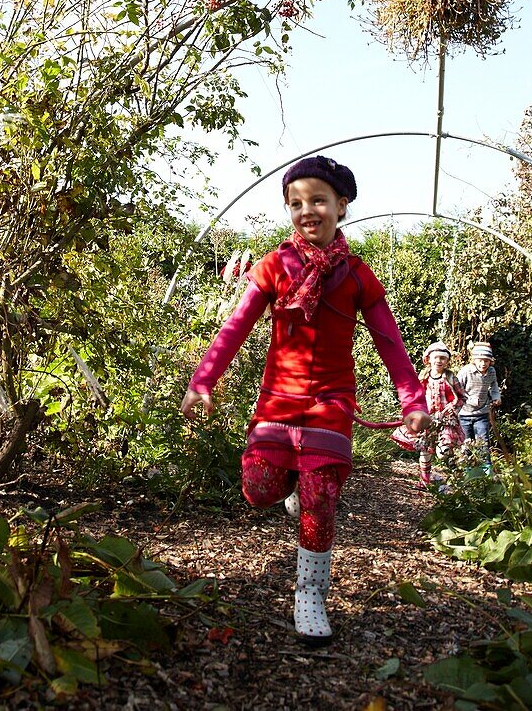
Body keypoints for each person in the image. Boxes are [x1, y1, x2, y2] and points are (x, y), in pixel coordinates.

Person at [180, 155, 431, 642]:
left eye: (318, 200)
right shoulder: (275, 266)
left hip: (331, 404)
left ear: (342, 206)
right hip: (277, 400)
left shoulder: (358, 275)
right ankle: (290, 487)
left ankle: (310, 595)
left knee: (320, 500)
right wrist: (204, 379)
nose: (306, 210)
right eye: (296, 203)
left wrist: (412, 400)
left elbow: (389, 342)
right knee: (259, 490)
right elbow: (236, 326)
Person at [392, 343, 466, 487]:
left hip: (445, 420)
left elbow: (462, 397)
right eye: (436, 358)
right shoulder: (424, 377)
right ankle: (424, 481)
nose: (439, 361)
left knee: (444, 450)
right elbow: (416, 395)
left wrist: (453, 406)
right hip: (428, 418)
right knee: (425, 450)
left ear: (447, 361)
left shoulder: (450, 378)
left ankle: (457, 476)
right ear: (429, 360)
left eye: (443, 358)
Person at [457, 342, 502, 473]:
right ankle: (468, 469)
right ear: (474, 360)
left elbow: (494, 386)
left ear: (490, 361)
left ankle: (486, 469)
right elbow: (457, 389)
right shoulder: (466, 371)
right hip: (464, 414)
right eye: (480, 360)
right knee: (467, 442)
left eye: (486, 361)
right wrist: (468, 399)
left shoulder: (491, 372)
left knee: (483, 441)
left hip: (482, 413)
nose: (483, 364)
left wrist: (496, 397)